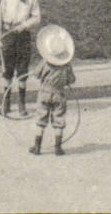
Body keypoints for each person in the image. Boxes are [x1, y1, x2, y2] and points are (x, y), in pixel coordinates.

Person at [0, 0, 43, 117]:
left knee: (22, 69)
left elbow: (36, 18)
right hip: (8, 35)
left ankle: (22, 103)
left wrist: (24, 25)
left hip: (23, 36)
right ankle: (6, 102)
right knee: (7, 69)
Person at [29, 24, 77, 156]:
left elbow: (36, 74)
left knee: (41, 119)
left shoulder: (45, 63)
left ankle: (37, 147)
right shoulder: (66, 66)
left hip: (45, 93)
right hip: (59, 94)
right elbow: (71, 79)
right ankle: (58, 148)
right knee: (59, 119)